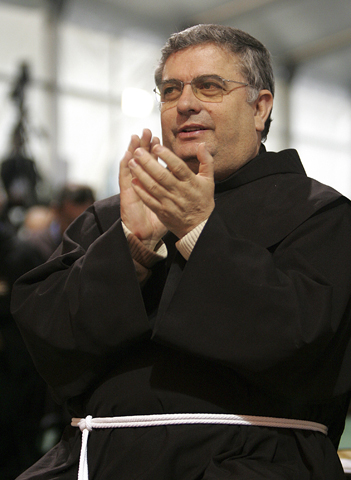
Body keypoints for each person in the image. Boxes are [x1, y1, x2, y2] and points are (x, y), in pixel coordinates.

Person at [10, 24, 351, 480]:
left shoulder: (320, 214)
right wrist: (133, 248)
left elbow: (303, 342)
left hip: (252, 462)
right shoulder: (112, 217)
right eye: (171, 90)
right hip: (95, 461)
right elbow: (47, 344)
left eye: (209, 87)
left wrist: (197, 233)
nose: (185, 103)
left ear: (260, 107)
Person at [21, 184, 95, 260]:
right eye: (71, 222)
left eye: (85, 223)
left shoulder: (93, 248)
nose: (79, 229)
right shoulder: (35, 246)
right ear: (56, 211)